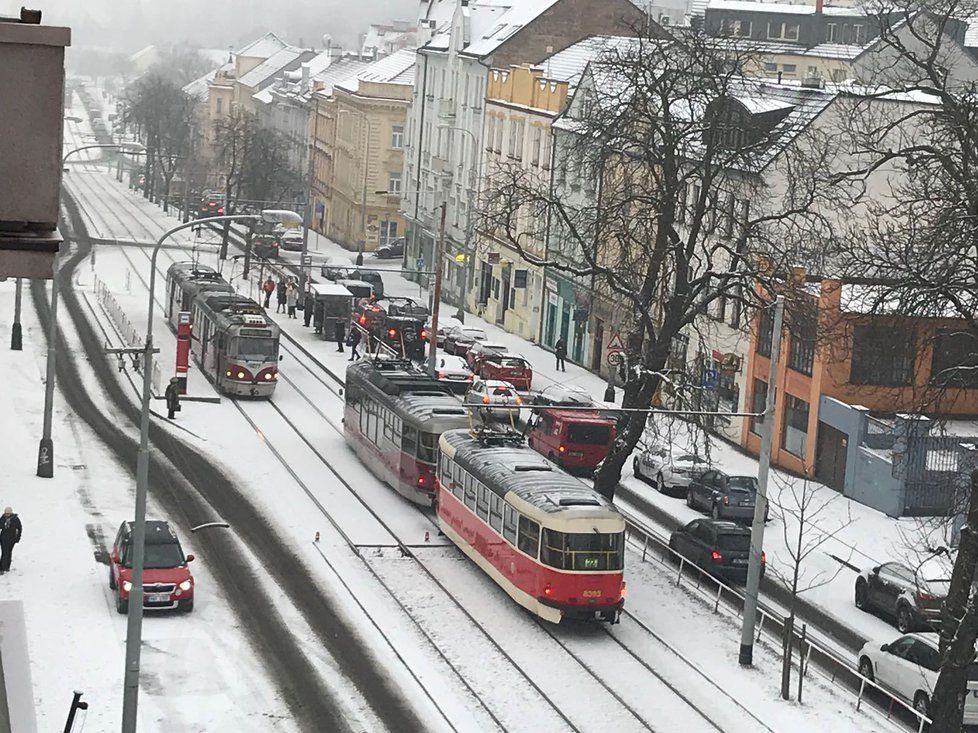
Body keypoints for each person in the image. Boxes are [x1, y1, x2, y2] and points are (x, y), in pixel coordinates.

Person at [0, 507, 22, 574]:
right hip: (3, 538)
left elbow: (19, 528)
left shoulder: (15, 519)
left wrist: (18, 538)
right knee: (4, 552)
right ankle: (2, 568)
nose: (7, 515)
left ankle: (6, 567)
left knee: (8, 552)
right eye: (6, 513)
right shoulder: (2, 518)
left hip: (12, 539)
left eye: (8, 513)